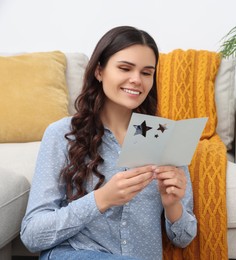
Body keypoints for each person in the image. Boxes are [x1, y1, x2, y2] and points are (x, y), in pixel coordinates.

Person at [20, 26, 197, 260]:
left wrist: (172, 205)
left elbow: (184, 238)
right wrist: (102, 198)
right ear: (99, 71)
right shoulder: (62, 133)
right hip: (74, 253)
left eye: (146, 72)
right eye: (125, 68)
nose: (136, 80)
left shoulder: (163, 136)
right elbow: (32, 235)